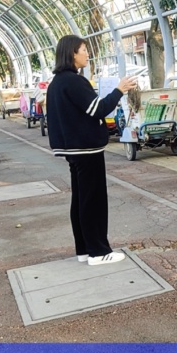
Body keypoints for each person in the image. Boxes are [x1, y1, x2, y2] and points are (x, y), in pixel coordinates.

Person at [47, 35, 136, 266]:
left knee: (81, 200)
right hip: (86, 149)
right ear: (72, 53)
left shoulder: (56, 83)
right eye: (84, 49)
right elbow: (99, 109)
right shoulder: (74, 81)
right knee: (93, 200)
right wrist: (119, 90)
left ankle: (84, 249)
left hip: (72, 149)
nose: (87, 54)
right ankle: (98, 251)